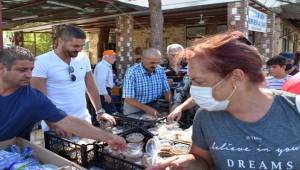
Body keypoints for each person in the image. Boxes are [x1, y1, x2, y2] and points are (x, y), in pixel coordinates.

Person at [148, 31, 300, 170]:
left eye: (199, 81)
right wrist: (189, 163)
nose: (193, 89)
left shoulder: (295, 109)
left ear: (236, 77)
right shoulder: (205, 116)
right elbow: (204, 161)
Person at [0, 46, 126, 152]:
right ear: (2, 68)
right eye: (22, 70)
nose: (29, 75)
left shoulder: (34, 98)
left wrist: (109, 137)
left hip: (12, 156)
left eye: (31, 69)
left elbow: (67, 121)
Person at [31, 25, 115, 131]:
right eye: (75, 46)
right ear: (61, 41)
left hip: (83, 120)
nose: (79, 49)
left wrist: (99, 111)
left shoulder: (83, 58)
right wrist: (53, 124)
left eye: (82, 46)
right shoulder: (41, 62)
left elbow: (91, 86)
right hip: (58, 123)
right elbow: (39, 99)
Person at [122, 48, 171, 116]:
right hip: (134, 106)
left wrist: (172, 104)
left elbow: (166, 91)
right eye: (152, 63)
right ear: (142, 59)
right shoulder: (132, 72)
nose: (155, 65)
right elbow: (128, 98)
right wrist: (147, 109)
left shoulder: (160, 70)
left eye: (157, 62)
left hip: (155, 105)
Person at [94, 50, 117, 114]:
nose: (115, 59)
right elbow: (100, 82)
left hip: (103, 91)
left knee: (103, 112)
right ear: (106, 57)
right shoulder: (102, 66)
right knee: (112, 112)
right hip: (103, 92)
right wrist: (105, 94)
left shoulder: (105, 65)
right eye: (113, 57)